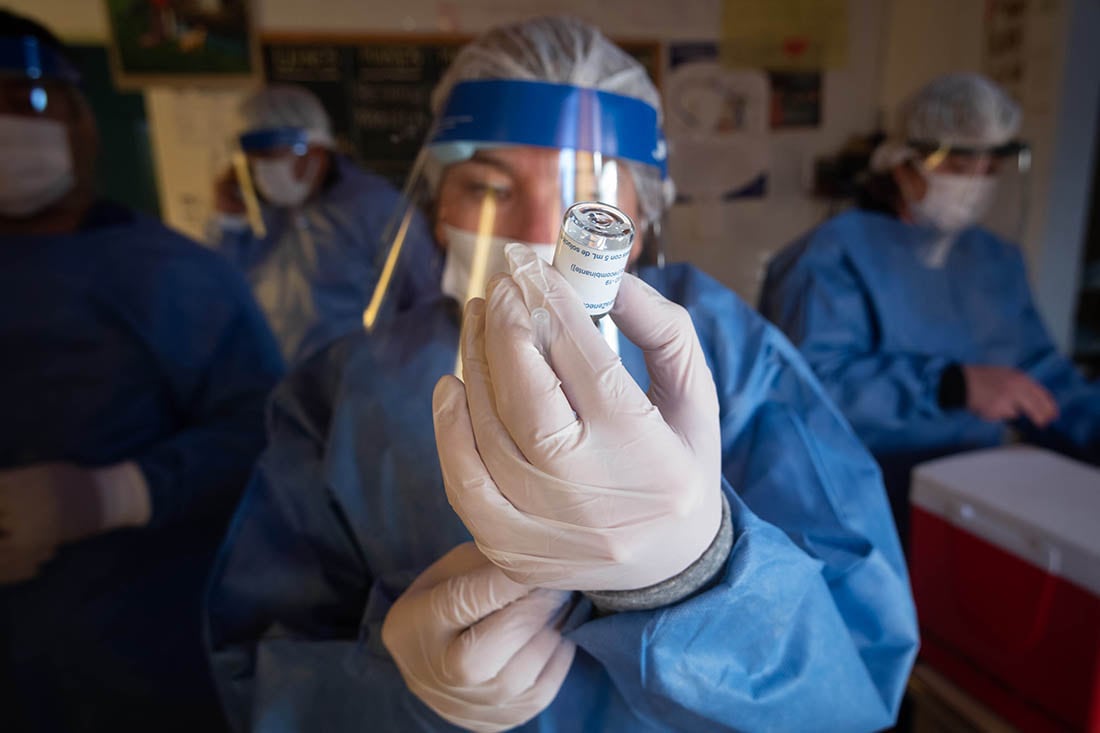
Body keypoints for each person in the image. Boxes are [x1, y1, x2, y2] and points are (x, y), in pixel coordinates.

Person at [207, 17, 918, 732]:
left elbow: (853, 682)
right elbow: (260, 669)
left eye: (590, 202)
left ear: (640, 220)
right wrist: (402, 691)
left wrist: (701, 579)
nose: (542, 232)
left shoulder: (728, 356)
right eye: (488, 189)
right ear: (439, 209)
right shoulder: (343, 391)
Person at [0, 11, 284, 732]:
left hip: (139, 657)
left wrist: (107, 496)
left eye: (24, 102)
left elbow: (262, 427)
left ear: (81, 120)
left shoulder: (166, 275)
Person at [759, 73, 1100, 541]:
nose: (976, 184)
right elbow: (805, 391)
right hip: (862, 507)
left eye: (989, 169)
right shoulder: (830, 256)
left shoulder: (993, 259)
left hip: (976, 502)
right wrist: (949, 384)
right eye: (960, 166)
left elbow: (1038, 377)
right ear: (904, 164)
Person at [209, 84, 440, 364]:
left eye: (274, 156)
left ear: (317, 151)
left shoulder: (376, 208)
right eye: (256, 160)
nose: (264, 170)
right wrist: (229, 222)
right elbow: (223, 292)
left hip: (360, 386)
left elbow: (428, 304)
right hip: (274, 383)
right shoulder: (258, 216)